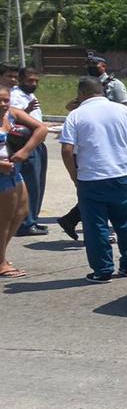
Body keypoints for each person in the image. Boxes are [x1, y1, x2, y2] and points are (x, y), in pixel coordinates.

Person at [59, 76, 127, 283]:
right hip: (121, 174)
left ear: (81, 94)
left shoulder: (76, 115)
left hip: (91, 178)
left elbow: (66, 149)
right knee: (124, 222)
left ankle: (103, 270)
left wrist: (74, 176)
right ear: (102, 91)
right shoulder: (122, 110)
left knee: (96, 226)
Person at [1, 81, 49, 278]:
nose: (4, 104)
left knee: (21, 212)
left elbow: (42, 129)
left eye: (6, 100)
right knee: (3, 221)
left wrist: (25, 151)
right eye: (0, 101)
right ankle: (1, 263)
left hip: (14, 171)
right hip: (1, 174)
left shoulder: (12, 114)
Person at [10, 67, 49, 236]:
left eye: (36, 81)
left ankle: (33, 219)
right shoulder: (15, 96)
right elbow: (14, 121)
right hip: (26, 143)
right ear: (20, 80)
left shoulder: (30, 95)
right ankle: (25, 223)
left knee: (38, 184)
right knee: (30, 184)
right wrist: (26, 110)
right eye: (29, 81)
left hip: (38, 142)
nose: (33, 84)